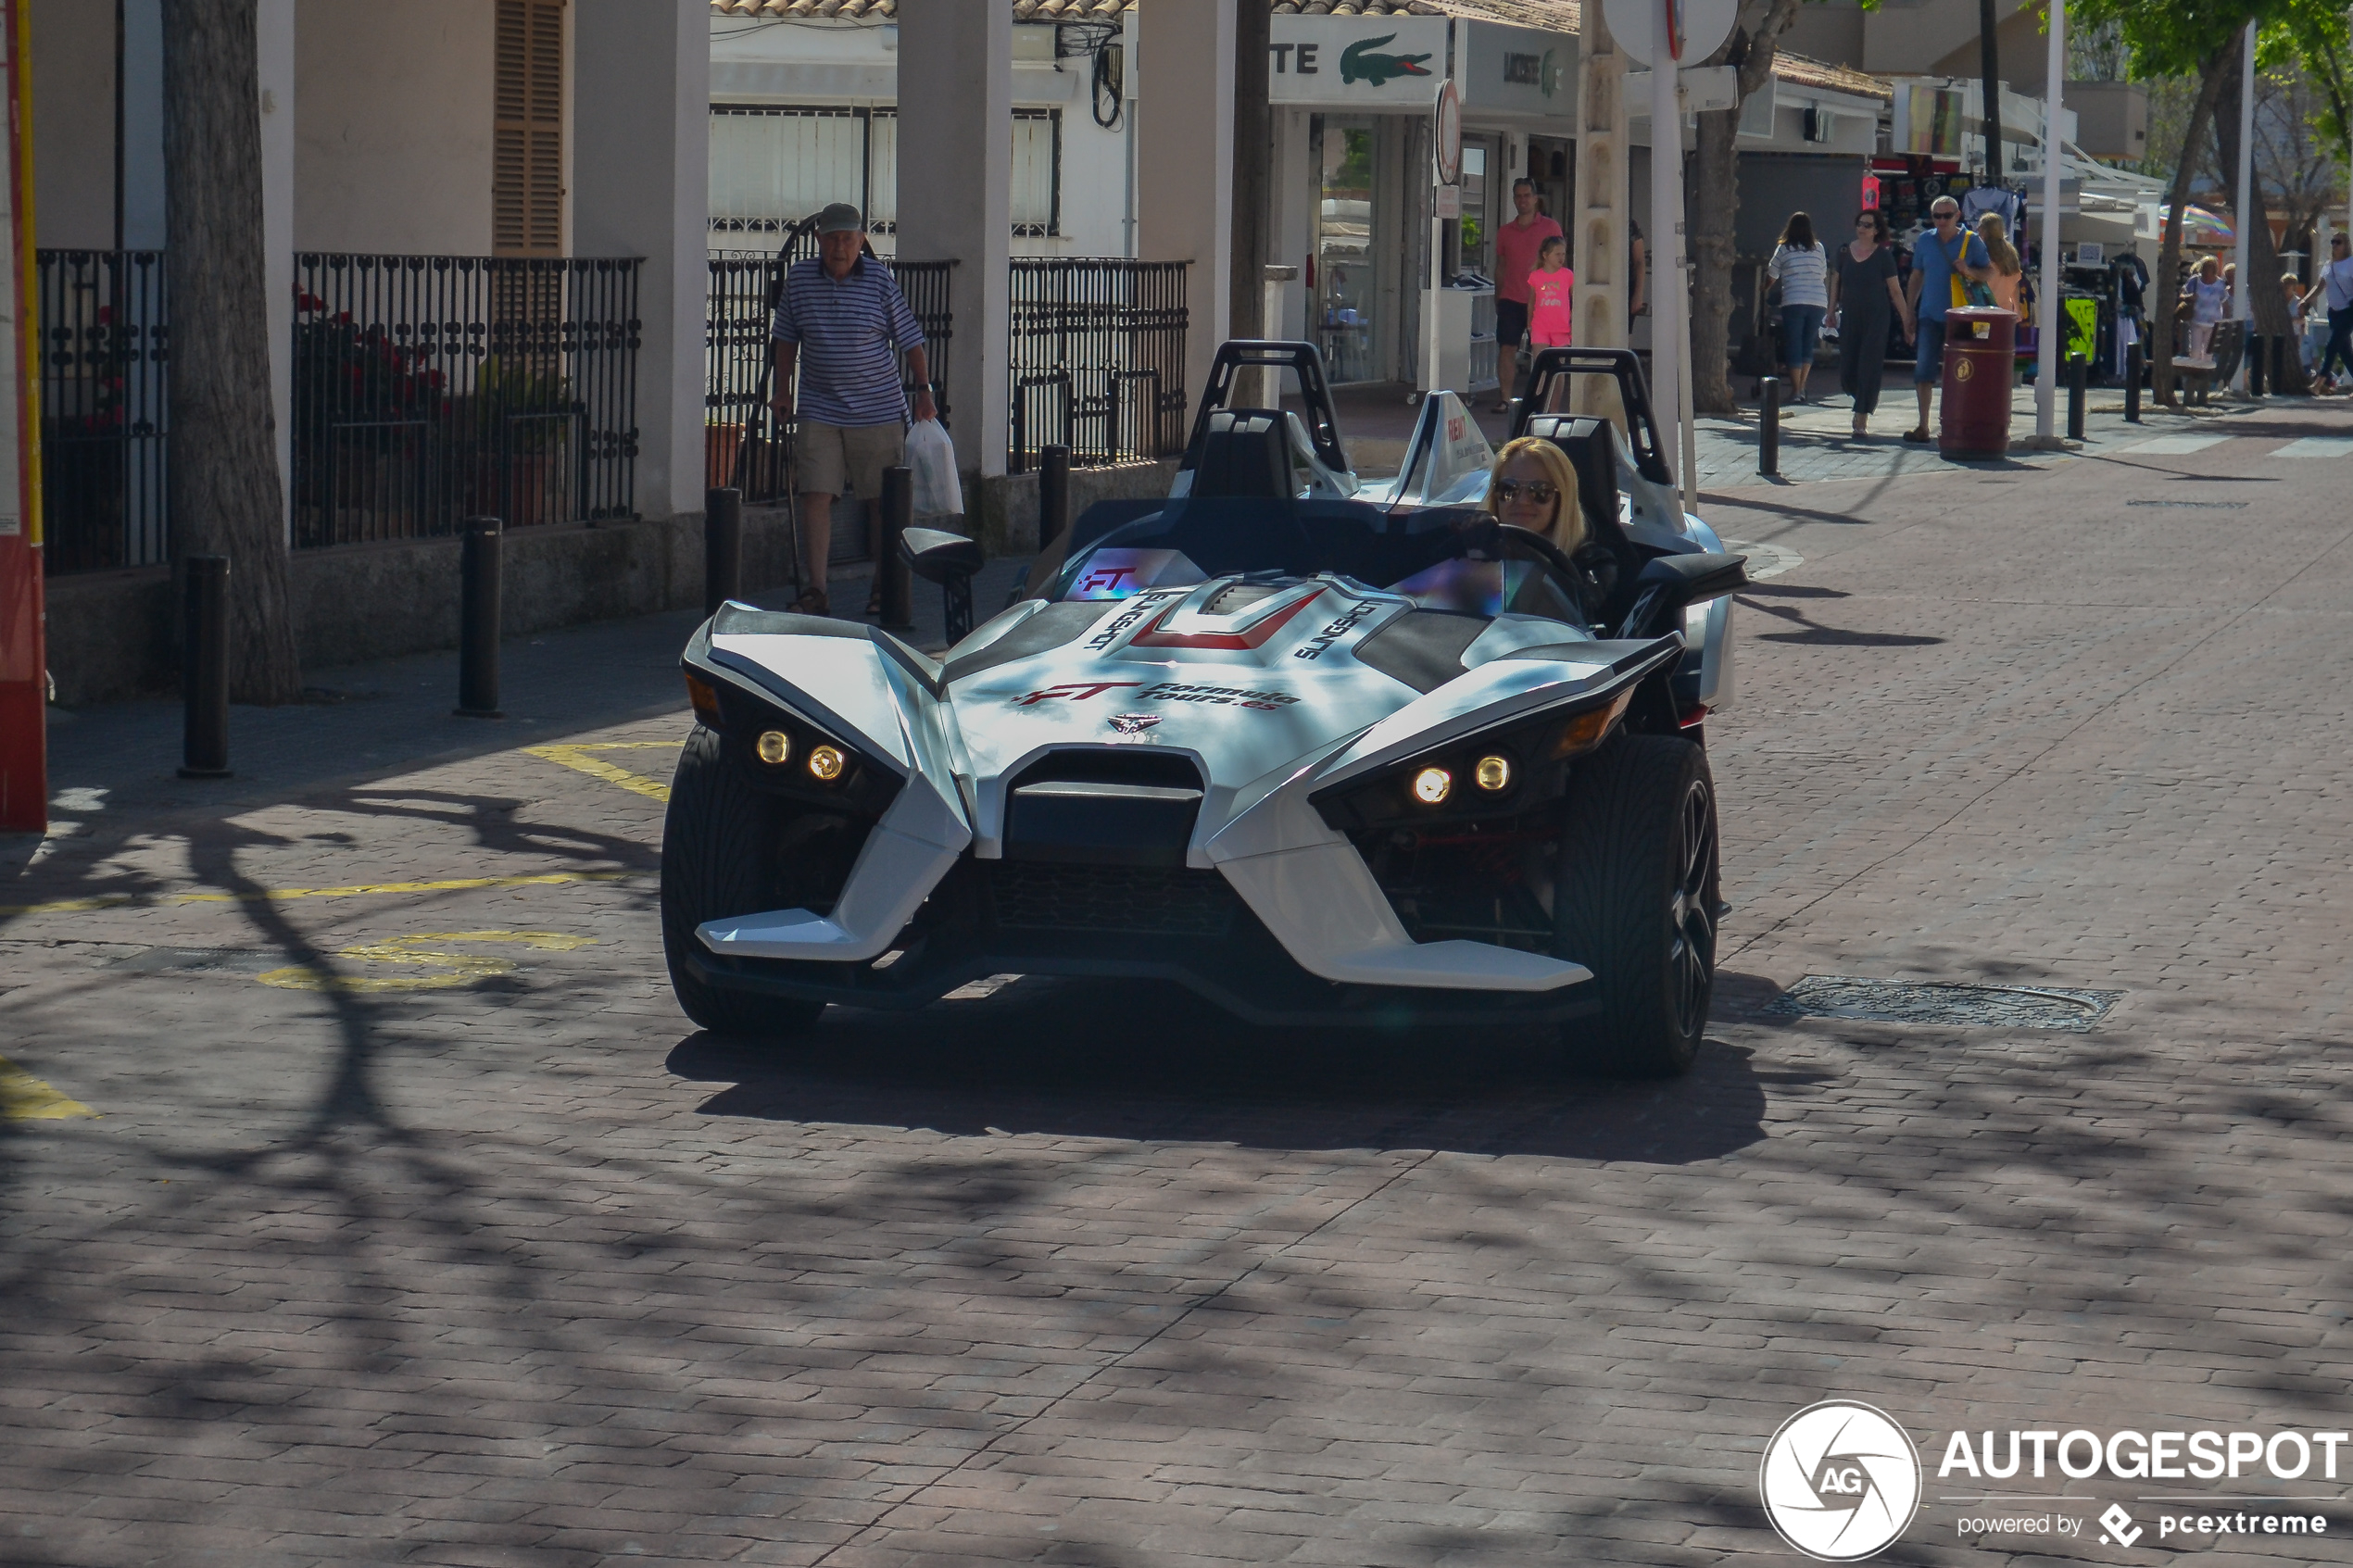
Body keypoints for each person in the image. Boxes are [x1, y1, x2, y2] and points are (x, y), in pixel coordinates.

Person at [771, 202, 935, 619]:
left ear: (861, 241)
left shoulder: (879, 279)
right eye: (832, 238)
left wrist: (924, 390)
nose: (840, 247)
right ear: (818, 240)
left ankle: (886, 584)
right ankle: (817, 589)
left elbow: (910, 339)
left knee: (882, 501)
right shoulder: (801, 279)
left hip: (877, 408)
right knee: (815, 493)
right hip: (819, 406)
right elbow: (787, 338)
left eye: (848, 238)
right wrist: (782, 391)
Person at [1900, 195, 1995, 442]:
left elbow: (1989, 272)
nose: (1941, 220)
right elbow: (1916, 277)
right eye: (1937, 216)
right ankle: (1923, 425)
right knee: (1923, 370)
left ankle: (1959, 422)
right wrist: (1909, 312)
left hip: (1963, 317)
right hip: (1930, 315)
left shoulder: (1971, 241)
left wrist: (1969, 270)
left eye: (1947, 215)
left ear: (1957, 216)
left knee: (1962, 371)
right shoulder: (1925, 240)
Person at [1828, 209, 1911, 439]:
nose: (1862, 228)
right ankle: (1860, 398)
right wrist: (1830, 310)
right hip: (1851, 315)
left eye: (1868, 225)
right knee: (1848, 368)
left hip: (1877, 316)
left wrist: (1906, 321)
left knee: (1869, 364)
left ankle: (1862, 412)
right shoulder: (1844, 252)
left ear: (1876, 230)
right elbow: (1836, 283)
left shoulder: (1883, 256)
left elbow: (1895, 291)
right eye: (1860, 224)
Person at [1492, 179, 1564, 408]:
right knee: (1507, 348)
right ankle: (1505, 399)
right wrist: (1498, 294)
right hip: (1511, 298)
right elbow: (1501, 265)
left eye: (1526, 196)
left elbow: (1559, 262)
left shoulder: (1550, 228)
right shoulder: (1505, 232)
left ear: (1535, 199)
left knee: (1543, 353)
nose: (1523, 200)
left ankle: (1547, 404)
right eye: (1518, 196)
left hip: (1543, 300)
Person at [1483, 435, 1586, 553]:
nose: (1523, 501)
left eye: (1540, 491)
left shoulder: (1589, 566)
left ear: (1562, 500)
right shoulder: (1475, 554)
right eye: (1509, 488)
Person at [1767, 212, 1830, 400]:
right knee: (1807, 343)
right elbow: (1822, 274)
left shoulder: (1784, 249)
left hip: (1794, 300)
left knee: (1793, 343)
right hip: (1818, 300)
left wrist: (1765, 288)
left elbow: (1772, 274)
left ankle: (1796, 391)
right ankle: (1802, 387)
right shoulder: (1818, 248)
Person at [2318, 232, 2353, 392]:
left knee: (2332, 345)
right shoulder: (2328, 265)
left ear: (2346, 245)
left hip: (2349, 311)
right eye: (2333, 242)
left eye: (2338, 242)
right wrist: (2305, 300)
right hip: (2334, 311)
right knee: (2344, 351)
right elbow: (2320, 286)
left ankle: (2319, 381)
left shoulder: (2351, 263)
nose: (2334, 245)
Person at [1527, 235, 1575, 348]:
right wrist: (1529, 324)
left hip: (1562, 329)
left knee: (1560, 363)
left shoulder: (1568, 275)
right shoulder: (1535, 276)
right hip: (1540, 327)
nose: (1561, 258)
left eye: (1563, 254)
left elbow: (1575, 300)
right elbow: (1531, 302)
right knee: (1541, 360)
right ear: (1545, 255)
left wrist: (1572, 321)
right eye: (1557, 254)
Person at [1976, 213, 2023, 317]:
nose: (1977, 228)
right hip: (2005, 311)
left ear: (1985, 230)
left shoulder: (1981, 251)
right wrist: (2017, 308)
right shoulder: (2010, 252)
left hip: (1983, 309)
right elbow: (2015, 284)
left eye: (1980, 225)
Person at [2183, 256, 2228, 360]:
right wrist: (2189, 297)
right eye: (2206, 266)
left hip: (2213, 324)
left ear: (2215, 268)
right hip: (2196, 321)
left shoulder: (2220, 284)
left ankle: (2205, 375)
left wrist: (2225, 322)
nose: (2208, 269)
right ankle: (2194, 373)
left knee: (2208, 354)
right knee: (2195, 352)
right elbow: (2182, 295)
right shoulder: (2195, 280)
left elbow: (2225, 304)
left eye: (2211, 266)